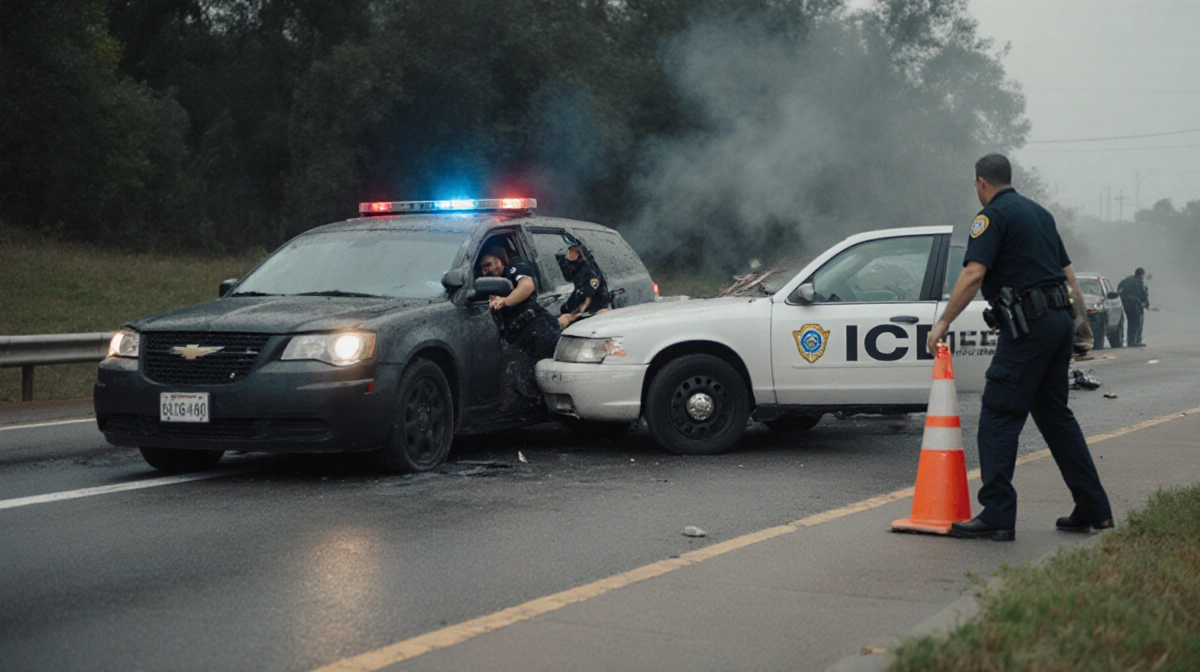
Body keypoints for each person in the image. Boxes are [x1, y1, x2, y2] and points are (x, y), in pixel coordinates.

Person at [927, 153, 1113, 541]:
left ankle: (997, 514)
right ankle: (1094, 508)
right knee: (1055, 417)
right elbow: (1070, 278)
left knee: (998, 413)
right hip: (1058, 322)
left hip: (1029, 327)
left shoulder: (991, 217)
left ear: (981, 182)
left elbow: (974, 272)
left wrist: (943, 321)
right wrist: (1080, 330)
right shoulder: (1041, 215)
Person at [478, 246, 560, 362]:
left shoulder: (515, 267)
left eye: (488, 265)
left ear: (498, 262)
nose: (485, 270)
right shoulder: (492, 285)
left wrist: (504, 301)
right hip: (519, 338)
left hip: (538, 330)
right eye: (482, 268)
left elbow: (527, 285)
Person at [555, 243, 612, 329]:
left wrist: (571, 316)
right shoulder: (580, 271)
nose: (569, 255)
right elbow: (568, 275)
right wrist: (560, 260)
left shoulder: (591, 273)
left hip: (592, 319)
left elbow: (586, 302)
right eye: (569, 252)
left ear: (580, 253)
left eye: (572, 252)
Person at [1117, 267, 1149, 347]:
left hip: (1126, 304)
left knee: (1131, 322)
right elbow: (1143, 293)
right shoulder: (1139, 282)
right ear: (1142, 275)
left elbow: (1119, 287)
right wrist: (1146, 303)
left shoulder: (1127, 279)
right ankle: (1135, 341)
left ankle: (1131, 341)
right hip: (1135, 304)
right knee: (1137, 322)